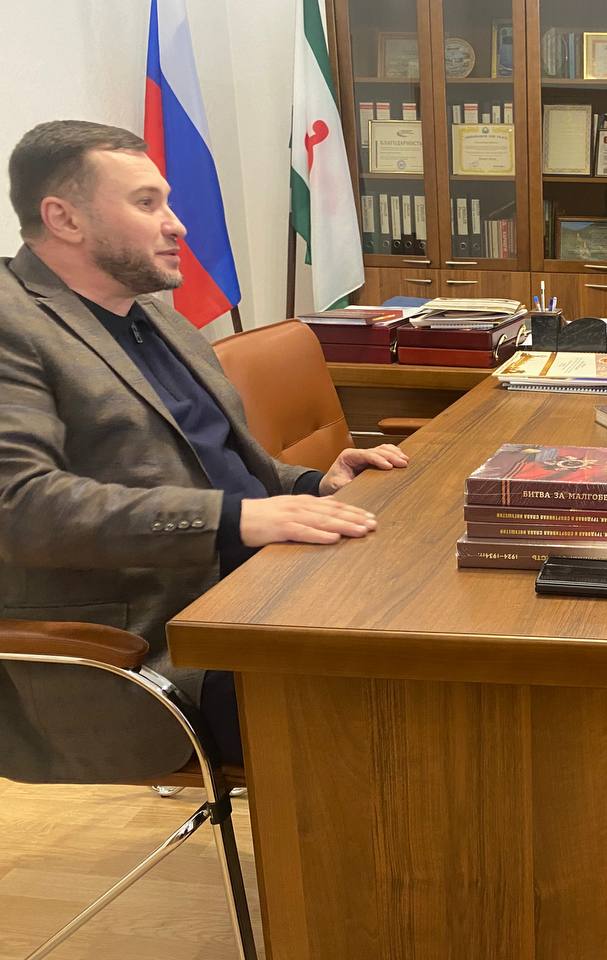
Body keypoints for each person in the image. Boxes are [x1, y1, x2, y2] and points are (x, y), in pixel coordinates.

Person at [0, 120, 408, 779]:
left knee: (445, 614)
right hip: (157, 646)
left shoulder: (153, 313)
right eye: (147, 203)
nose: (177, 225)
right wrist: (235, 519)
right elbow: (17, 508)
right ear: (63, 218)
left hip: (261, 586)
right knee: (404, 703)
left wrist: (309, 485)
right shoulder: (12, 324)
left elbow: (214, 461)